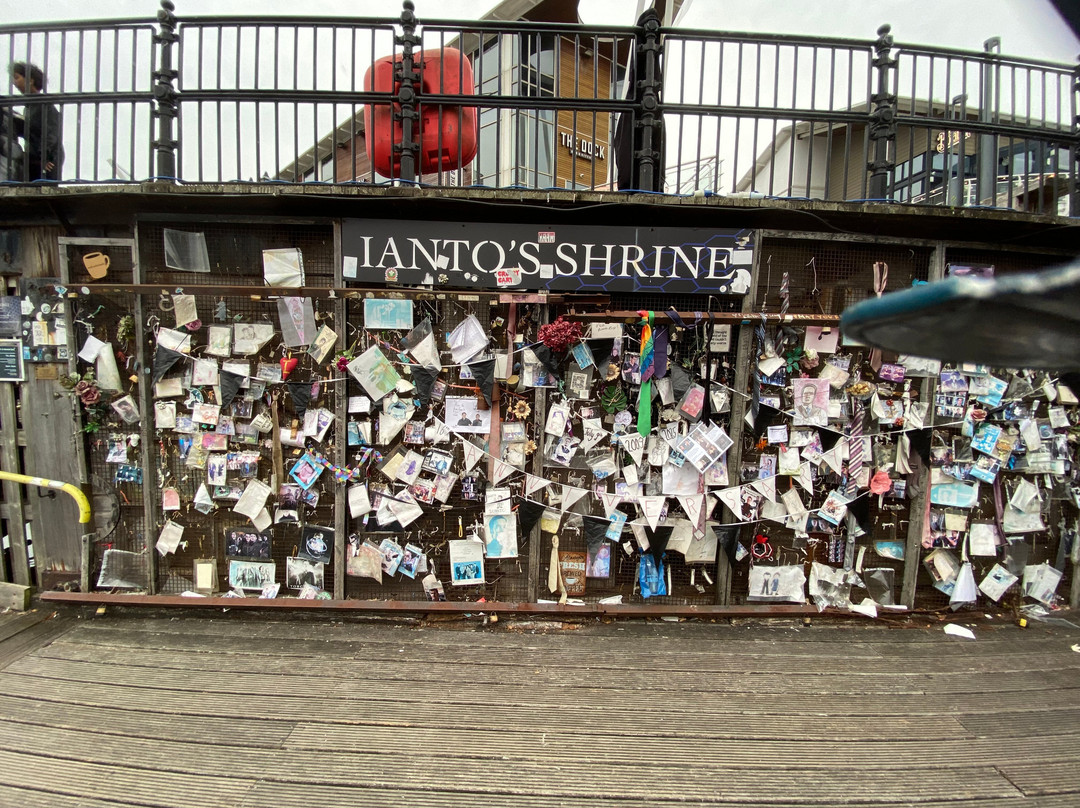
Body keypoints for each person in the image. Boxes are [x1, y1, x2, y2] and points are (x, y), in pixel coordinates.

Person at [9, 62, 62, 181]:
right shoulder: (29, 107)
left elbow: (51, 133)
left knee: (45, 192)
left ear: (30, 80)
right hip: (35, 159)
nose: (14, 82)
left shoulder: (44, 104)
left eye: (17, 77)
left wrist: (44, 157)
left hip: (47, 160)